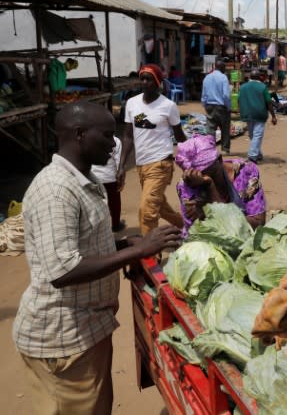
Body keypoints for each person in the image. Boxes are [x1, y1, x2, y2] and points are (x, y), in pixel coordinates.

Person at [14, 102, 182, 415]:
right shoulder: (56, 190)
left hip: (85, 330)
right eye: (106, 135)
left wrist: (123, 244)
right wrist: (138, 251)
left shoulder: (85, 180)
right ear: (79, 134)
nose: (114, 143)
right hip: (64, 340)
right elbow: (63, 270)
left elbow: (84, 247)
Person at [118, 65, 187, 235]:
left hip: (161, 163)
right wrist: (121, 165)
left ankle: (150, 256)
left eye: (148, 79)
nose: (144, 82)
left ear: (158, 82)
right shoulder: (132, 104)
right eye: (142, 78)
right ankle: (185, 226)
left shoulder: (168, 106)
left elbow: (179, 136)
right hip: (141, 165)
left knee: (147, 210)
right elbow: (128, 136)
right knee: (160, 206)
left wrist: (193, 157)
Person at [175, 135, 267, 234]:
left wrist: (210, 188)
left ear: (220, 160)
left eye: (212, 175)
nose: (206, 179)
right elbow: (197, 234)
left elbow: (258, 223)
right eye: (202, 179)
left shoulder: (245, 171)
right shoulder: (186, 186)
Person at [238, 74, 278, 163]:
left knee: (253, 135)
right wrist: (273, 116)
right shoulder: (262, 87)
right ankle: (252, 156)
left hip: (247, 113)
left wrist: (241, 111)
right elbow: (268, 102)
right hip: (259, 113)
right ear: (260, 77)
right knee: (257, 135)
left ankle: (258, 154)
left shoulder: (243, 87)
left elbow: (239, 99)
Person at [91, 134, 125, 232]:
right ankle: (116, 225)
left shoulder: (90, 139)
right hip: (110, 178)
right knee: (114, 203)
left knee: (95, 203)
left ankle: (97, 228)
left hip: (93, 177)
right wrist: (121, 177)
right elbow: (119, 161)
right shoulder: (115, 140)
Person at [201, 59, 232, 154]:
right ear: (222, 68)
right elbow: (226, 95)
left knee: (210, 128)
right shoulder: (223, 77)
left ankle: (210, 149)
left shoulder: (207, 77)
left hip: (209, 105)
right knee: (225, 128)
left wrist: (205, 104)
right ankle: (225, 149)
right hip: (221, 106)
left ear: (215, 67)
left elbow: (204, 94)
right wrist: (229, 106)